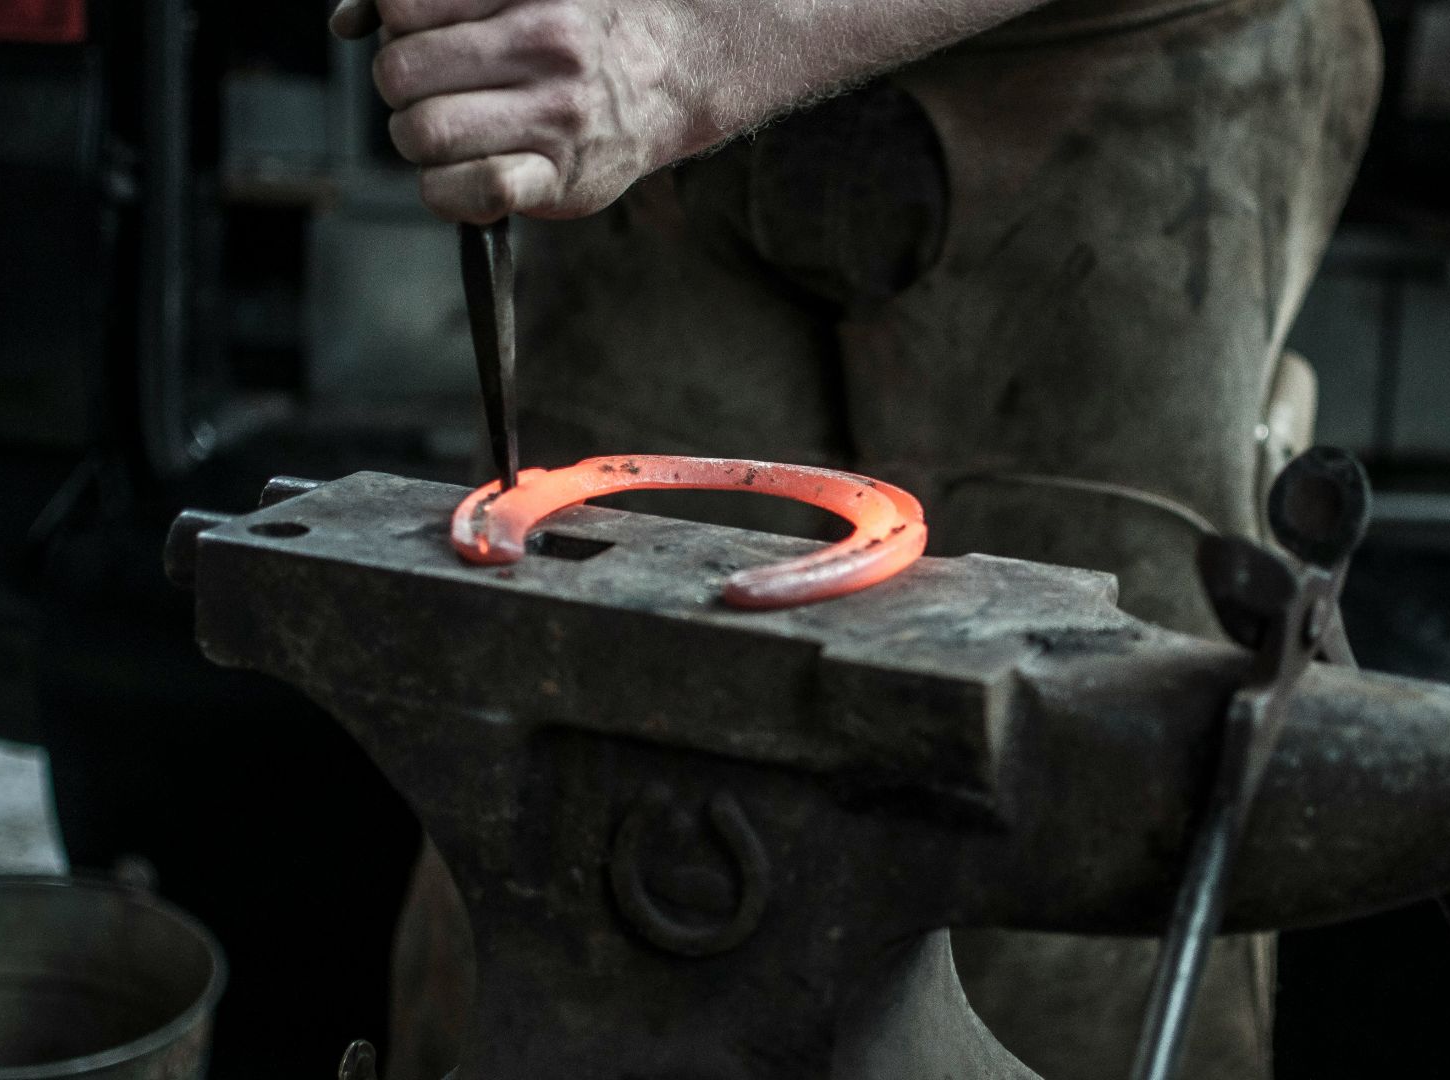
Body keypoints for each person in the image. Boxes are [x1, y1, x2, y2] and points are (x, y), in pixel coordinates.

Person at [329, 1, 1380, 1077]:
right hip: (625, 99)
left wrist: (684, 49)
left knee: (1078, 852)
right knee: (564, 826)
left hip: (1113, 53)